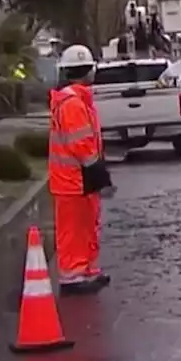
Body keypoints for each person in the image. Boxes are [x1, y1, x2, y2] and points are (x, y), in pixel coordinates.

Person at [50, 44, 112, 293]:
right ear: (89, 71)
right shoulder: (73, 103)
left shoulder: (77, 100)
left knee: (86, 226)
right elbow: (81, 144)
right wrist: (96, 169)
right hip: (73, 179)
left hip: (79, 178)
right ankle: (72, 278)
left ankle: (85, 270)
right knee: (73, 230)